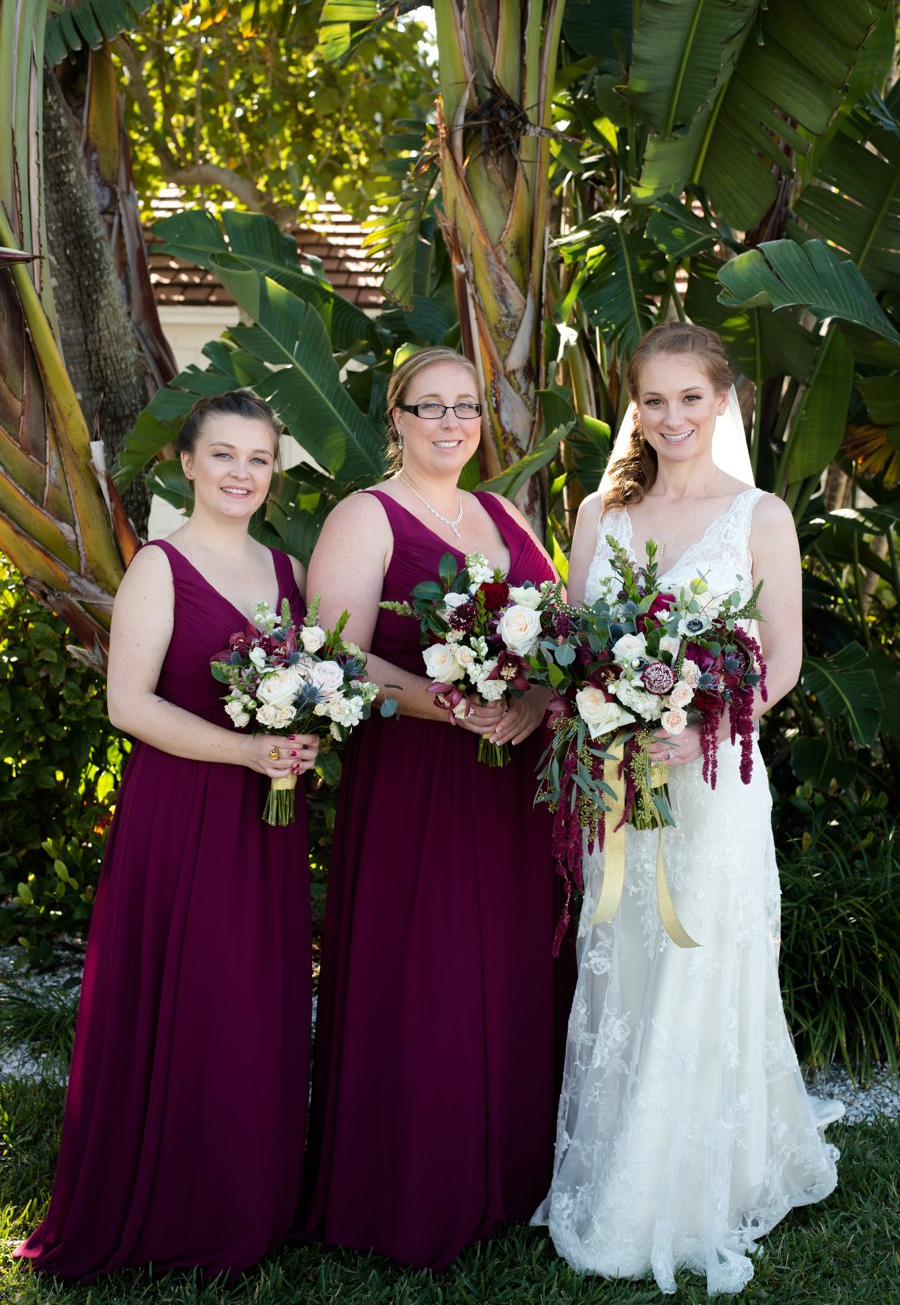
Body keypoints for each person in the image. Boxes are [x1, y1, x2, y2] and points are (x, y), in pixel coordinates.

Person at [532, 323, 841, 1296]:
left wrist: (707, 724)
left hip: (716, 781)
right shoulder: (599, 513)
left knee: (705, 953)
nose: (671, 417)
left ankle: (696, 1175)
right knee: (624, 952)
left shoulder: (759, 514)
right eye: (653, 399)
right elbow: (583, 647)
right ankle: (621, 1157)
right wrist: (612, 714)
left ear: (723, 402)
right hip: (621, 780)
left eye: (690, 398)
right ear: (636, 405)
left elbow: (781, 658)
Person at [16, 390, 319, 1283]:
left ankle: (244, 1199)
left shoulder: (285, 571)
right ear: (187, 464)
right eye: (223, 456)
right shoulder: (161, 566)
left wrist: (302, 735)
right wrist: (246, 748)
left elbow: (304, 684)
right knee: (187, 992)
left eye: (258, 459)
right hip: (183, 813)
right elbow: (128, 705)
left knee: (252, 999)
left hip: (265, 818)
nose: (241, 474)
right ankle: (165, 1200)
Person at [300, 346, 565, 1268]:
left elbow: (556, 638)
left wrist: (529, 704)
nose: (451, 423)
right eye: (430, 407)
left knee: (517, 967)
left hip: (513, 786)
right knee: (429, 972)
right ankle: (410, 1187)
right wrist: (448, 703)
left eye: (465, 408)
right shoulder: (364, 516)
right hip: (418, 778)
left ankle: (517, 1180)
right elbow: (337, 655)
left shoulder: (503, 513)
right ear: (398, 419)